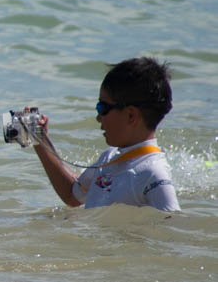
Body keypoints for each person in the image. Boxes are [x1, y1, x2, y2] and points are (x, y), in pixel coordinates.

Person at [34, 57, 180, 212]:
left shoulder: (153, 173)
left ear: (131, 115)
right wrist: (39, 140)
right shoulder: (109, 158)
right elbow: (71, 195)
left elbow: (173, 228)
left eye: (102, 108)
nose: (98, 117)